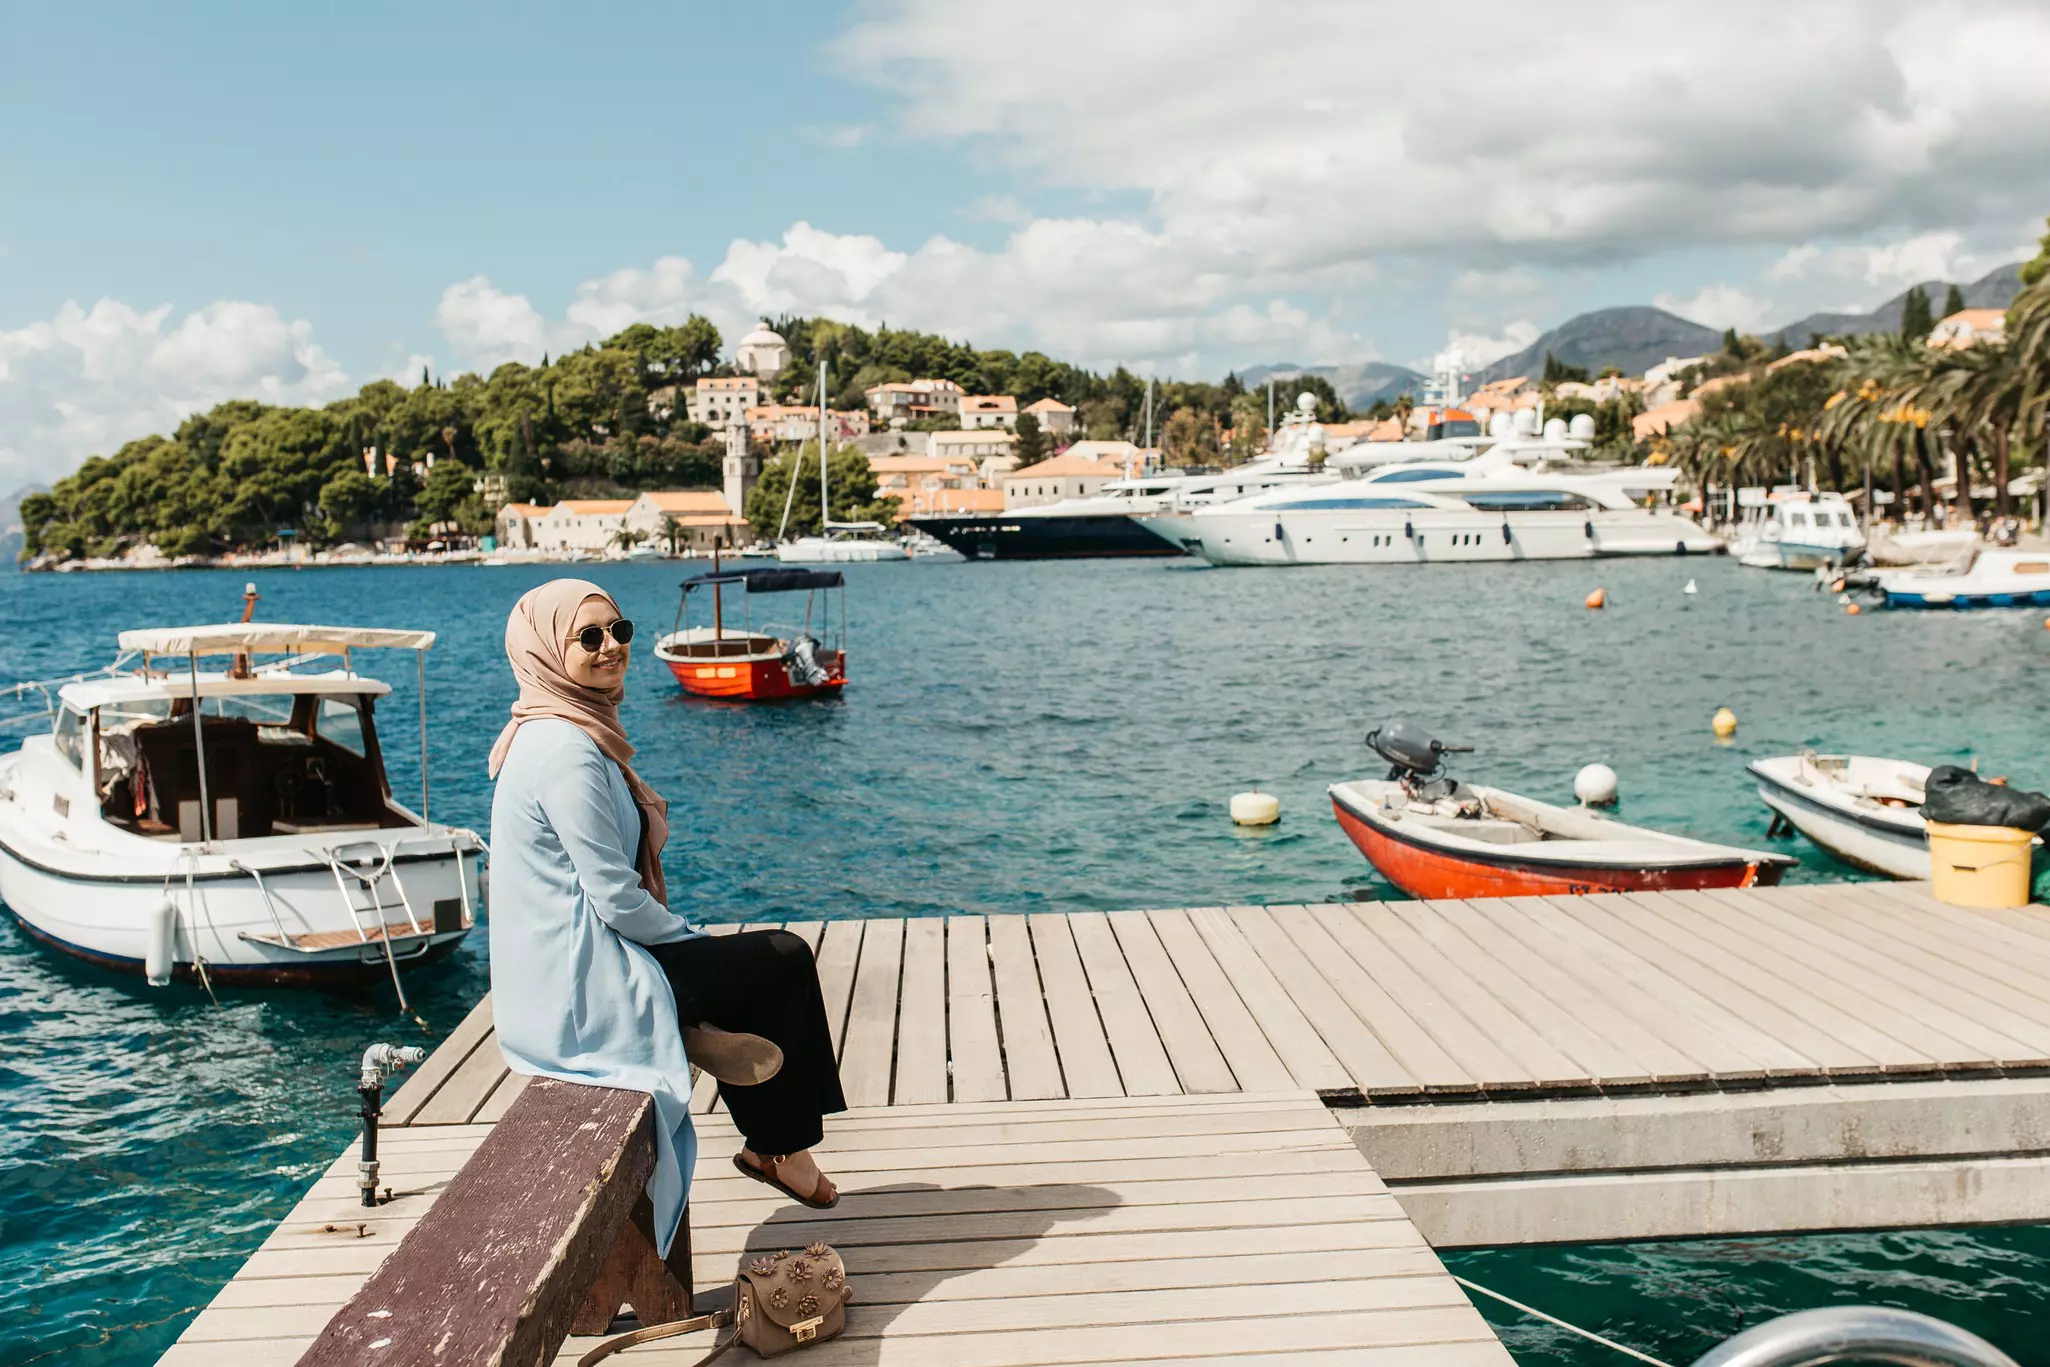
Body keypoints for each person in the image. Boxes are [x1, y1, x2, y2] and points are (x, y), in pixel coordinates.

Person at [488, 578, 845, 1257]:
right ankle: (778, 1147)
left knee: (758, 968)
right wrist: (691, 941)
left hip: (567, 974)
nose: (611, 647)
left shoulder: (545, 732)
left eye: (619, 631)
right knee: (782, 959)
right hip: (587, 989)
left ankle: (768, 1129)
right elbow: (616, 898)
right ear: (542, 648)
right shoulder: (566, 751)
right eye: (588, 637)